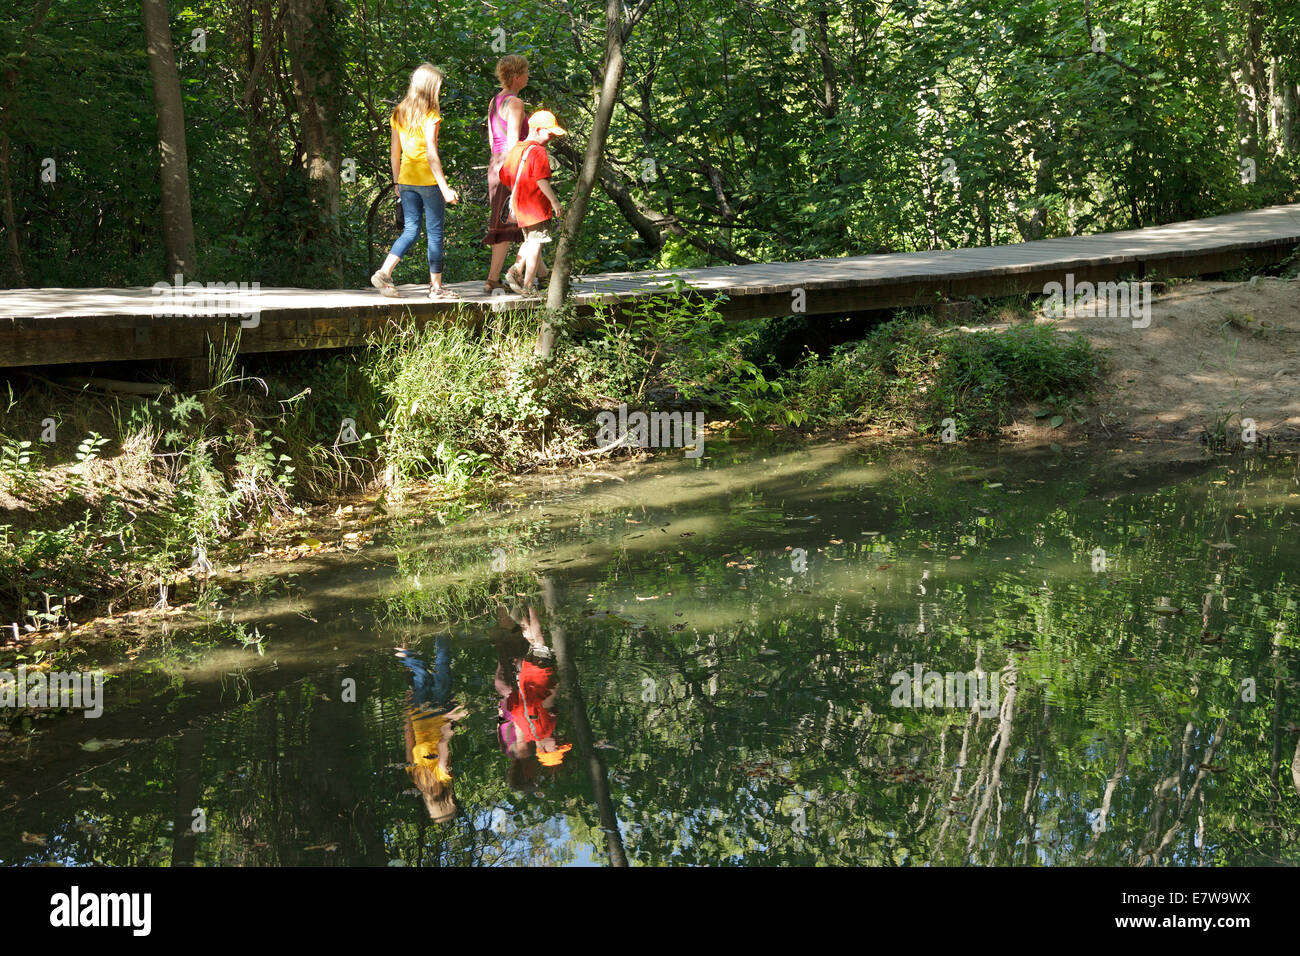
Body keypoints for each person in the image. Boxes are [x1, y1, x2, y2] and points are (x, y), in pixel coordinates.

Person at [371, 64, 461, 301]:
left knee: (411, 230)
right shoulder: (431, 116)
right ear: (430, 89)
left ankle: (384, 272)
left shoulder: (399, 112)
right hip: (428, 182)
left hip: (406, 180)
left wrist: (396, 182)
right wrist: (445, 188)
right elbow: (431, 154)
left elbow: (394, 152)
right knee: (435, 233)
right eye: (438, 87)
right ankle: (436, 288)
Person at [490, 604, 570, 791]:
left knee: (528, 640)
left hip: (518, 683)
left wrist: (558, 686)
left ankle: (518, 600)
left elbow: (523, 712)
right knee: (515, 638)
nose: (537, 773)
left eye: (534, 776)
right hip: (509, 689)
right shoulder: (508, 748)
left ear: (526, 775)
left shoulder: (527, 742)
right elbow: (504, 715)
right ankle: (506, 602)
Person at [481, 55, 538, 294]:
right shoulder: (515, 102)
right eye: (525, 72)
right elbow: (514, 140)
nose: (528, 76)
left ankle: (542, 273)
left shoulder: (495, 101)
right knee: (515, 220)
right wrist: (519, 172)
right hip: (510, 165)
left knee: (518, 221)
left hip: (495, 163)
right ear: (516, 76)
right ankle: (495, 277)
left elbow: (494, 137)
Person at [397, 641, 468, 823]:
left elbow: (443, 742)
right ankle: (404, 652)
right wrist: (407, 712)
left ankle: (442, 631)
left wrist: (455, 718)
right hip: (417, 713)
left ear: (450, 800)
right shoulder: (416, 778)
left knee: (442, 666)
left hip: (439, 709)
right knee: (421, 678)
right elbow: (408, 738)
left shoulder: (445, 775)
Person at [498, 110, 566, 296]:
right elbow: (541, 180)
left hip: (521, 206)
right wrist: (555, 202)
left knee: (531, 241)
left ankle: (527, 274)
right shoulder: (538, 151)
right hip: (537, 207)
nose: (551, 137)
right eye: (549, 133)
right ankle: (527, 283)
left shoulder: (517, 149)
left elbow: (504, 176)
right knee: (536, 244)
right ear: (536, 130)